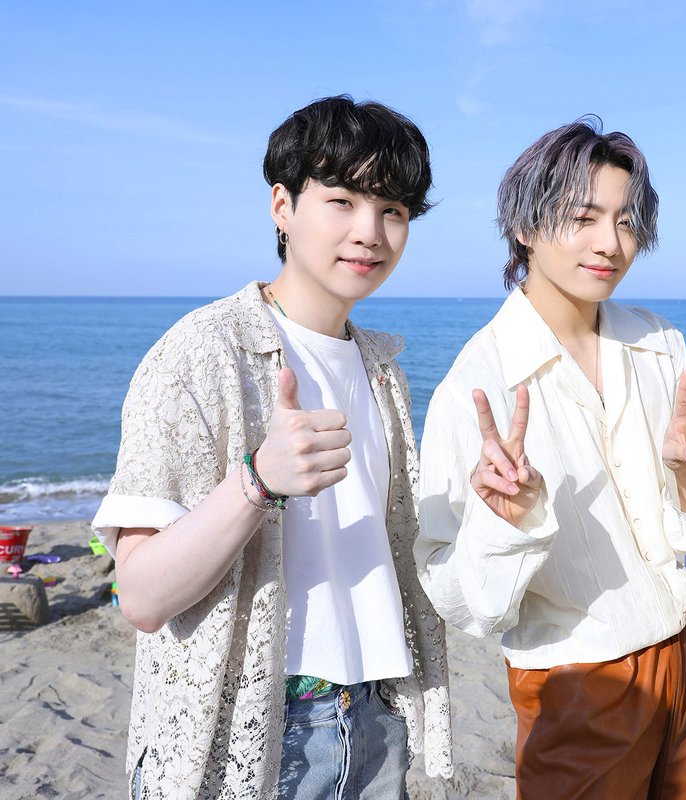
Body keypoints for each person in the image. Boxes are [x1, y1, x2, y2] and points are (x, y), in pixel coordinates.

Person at [92, 96, 451, 799]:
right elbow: (140, 596)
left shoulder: (381, 367)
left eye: (393, 210)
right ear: (282, 206)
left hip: (377, 719)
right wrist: (257, 481)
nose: (369, 232)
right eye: (342, 201)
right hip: (258, 732)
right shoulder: (202, 353)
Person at [415, 118, 686, 799]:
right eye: (583, 217)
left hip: (682, 647)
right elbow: (462, 600)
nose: (609, 243)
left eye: (625, 221)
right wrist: (506, 521)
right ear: (524, 227)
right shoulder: (479, 384)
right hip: (575, 677)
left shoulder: (658, 344)